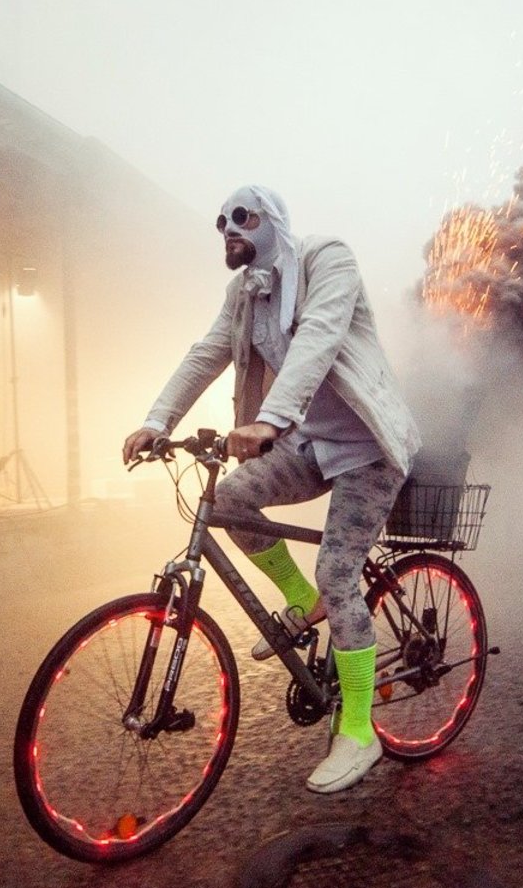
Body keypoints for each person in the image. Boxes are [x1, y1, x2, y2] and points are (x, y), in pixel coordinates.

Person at [122, 185, 421, 793]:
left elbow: (319, 338)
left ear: (274, 222)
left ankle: (358, 730)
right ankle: (301, 597)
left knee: (340, 575)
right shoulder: (243, 292)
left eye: (243, 216)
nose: (228, 228)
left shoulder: (327, 258)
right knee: (231, 501)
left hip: (367, 448)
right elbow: (205, 354)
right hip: (309, 445)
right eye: (221, 222)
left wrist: (270, 420)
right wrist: (157, 422)